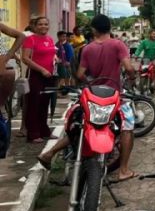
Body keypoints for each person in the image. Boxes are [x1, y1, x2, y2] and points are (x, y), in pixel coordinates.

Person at [39, 14, 138, 182]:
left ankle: (49, 153)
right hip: (113, 95)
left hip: (92, 94)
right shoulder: (117, 45)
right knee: (127, 128)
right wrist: (132, 77)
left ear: (93, 30)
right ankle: (123, 170)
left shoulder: (88, 48)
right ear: (109, 28)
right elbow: (128, 68)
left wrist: (90, 83)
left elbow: (79, 74)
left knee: (80, 125)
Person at [20, 16, 56, 143]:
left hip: (49, 76)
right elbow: (25, 58)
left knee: (45, 103)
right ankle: (33, 134)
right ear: (35, 26)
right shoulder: (30, 39)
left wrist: (55, 59)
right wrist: (41, 69)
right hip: (36, 75)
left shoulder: (50, 39)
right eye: (40, 24)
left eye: (46, 24)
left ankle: (44, 131)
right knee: (34, 104)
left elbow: (50, 53)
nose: (43, 26)